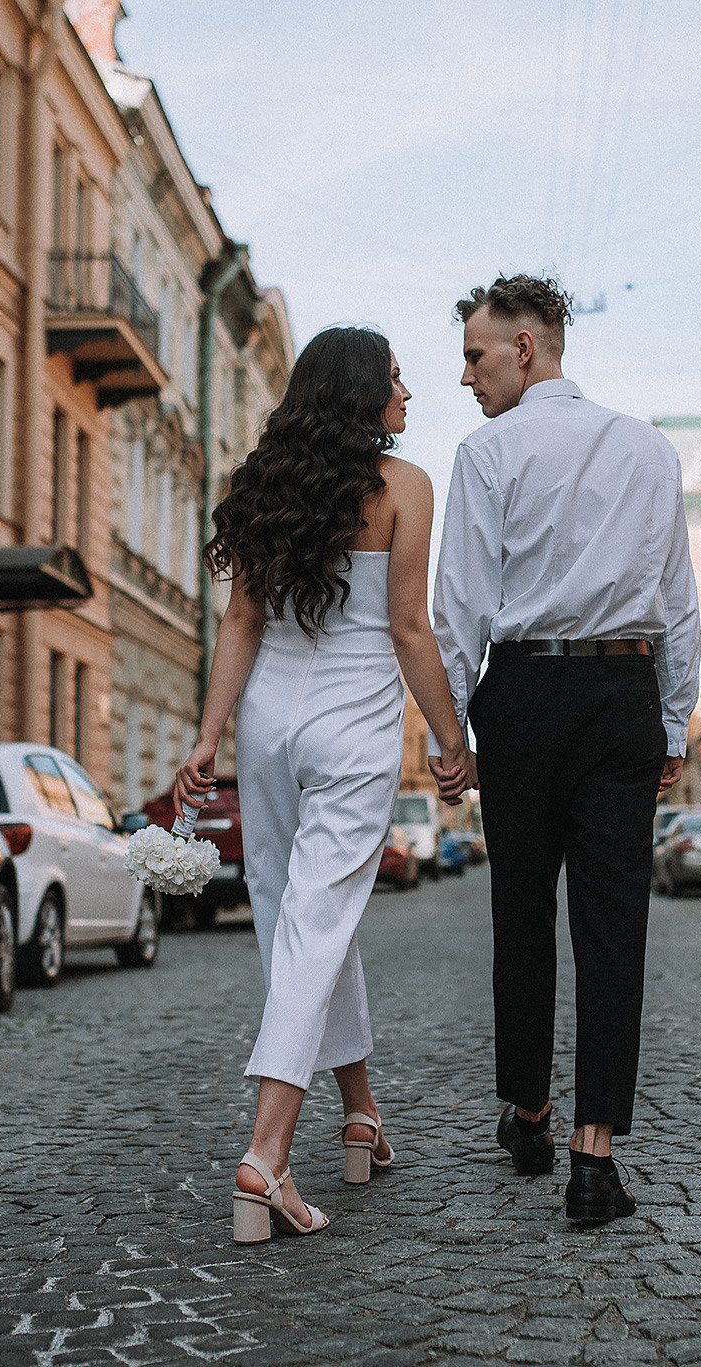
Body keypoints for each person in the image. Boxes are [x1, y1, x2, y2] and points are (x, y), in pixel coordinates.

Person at [171, 326, 470, 1245]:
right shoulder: (406, 487)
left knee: (299, 921)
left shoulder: (265, 485)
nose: (408, 392)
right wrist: (455, 742)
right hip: (352, 729)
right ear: (359, 396)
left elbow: (242, 617)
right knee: (317, 923)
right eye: (393, 378)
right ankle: (266, 1156)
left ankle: (360, 1112)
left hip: (267, 724)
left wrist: (209, 734)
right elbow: (410, 630)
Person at [431, 273, 699, 1224]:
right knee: (614, 923)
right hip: (623, 689)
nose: (465, 376)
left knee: (522, 912)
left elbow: (459, 604)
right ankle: (596, 1157)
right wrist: (673, 717)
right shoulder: (649, 449)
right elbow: (677, 596)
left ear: (526, 348)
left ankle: (532, 1111)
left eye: (476, 354)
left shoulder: (486, 452)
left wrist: (447, 729)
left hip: (527, 693)